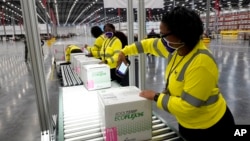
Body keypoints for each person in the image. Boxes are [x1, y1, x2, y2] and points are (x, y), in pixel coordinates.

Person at [117, 7, 235, 141]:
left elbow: (188, 107)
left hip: (210, 128)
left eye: (163, 35)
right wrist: (124, 51)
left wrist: (156, 96)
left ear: (181, 35)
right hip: (188, 123)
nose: (161, 39)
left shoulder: (201, 63)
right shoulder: (177, 47)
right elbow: (148, 45)